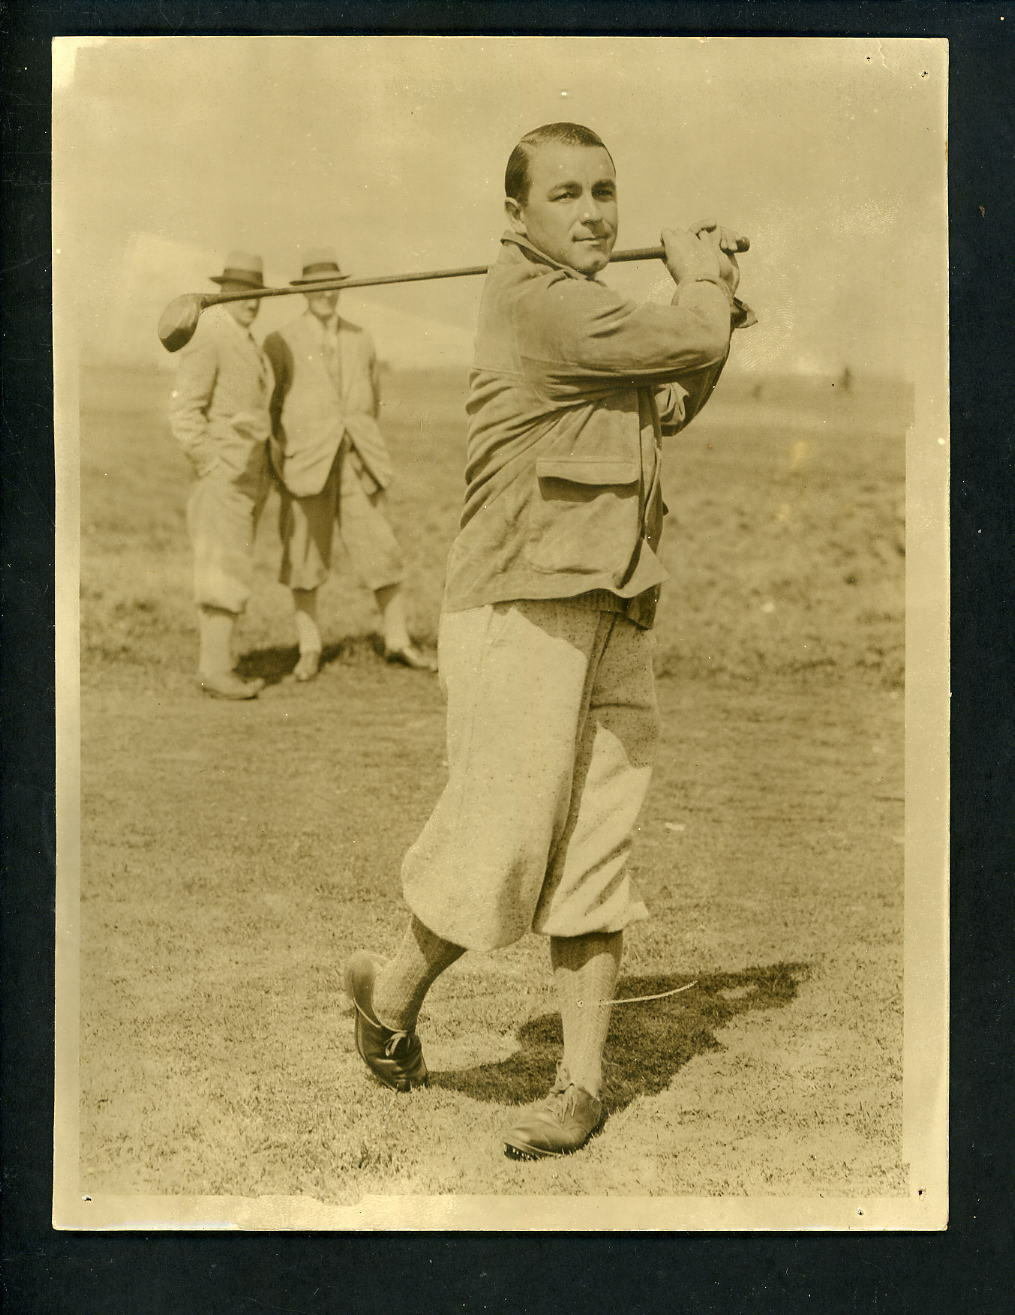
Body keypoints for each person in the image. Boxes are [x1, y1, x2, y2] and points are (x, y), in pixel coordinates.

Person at [344, 122, 755, 1158]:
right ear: (516, 215)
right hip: (517, 604)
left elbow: (669, 394)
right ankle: (389, 993)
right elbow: (684, 338)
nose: (592, 213)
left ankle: (578, 1087)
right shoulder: (535, 300)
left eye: (604, 192)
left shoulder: (592, 311)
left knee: (597, 847)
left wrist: (717, 307)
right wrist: (700, 283)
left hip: (613, 603)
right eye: (566, 194)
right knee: (506, 841)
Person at [262, 249, 435, 681]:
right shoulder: (280, 340)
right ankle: (309, 648)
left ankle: (397, 643)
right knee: (303, 558)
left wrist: (355, 438)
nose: (326, 294)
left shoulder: (362, 338)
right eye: (317, 287)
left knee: (382, 551)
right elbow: (271, 405)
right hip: (305, 464)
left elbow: (370, 403)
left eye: (333, 285)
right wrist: (285, 463)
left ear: (342, 288)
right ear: (304, 292)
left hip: (359, 461)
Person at [168, 250, 274, 700]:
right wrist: (210, 463)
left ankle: (219, 662)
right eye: (241, 294)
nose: (251, 302)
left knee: (232, 564)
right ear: (224, 295)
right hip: (222, 479)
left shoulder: (247, 341)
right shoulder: (211, 338)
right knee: (220, 568)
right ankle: (214, 669)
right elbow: (184, 410)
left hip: (246, 478)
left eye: (257, 294)